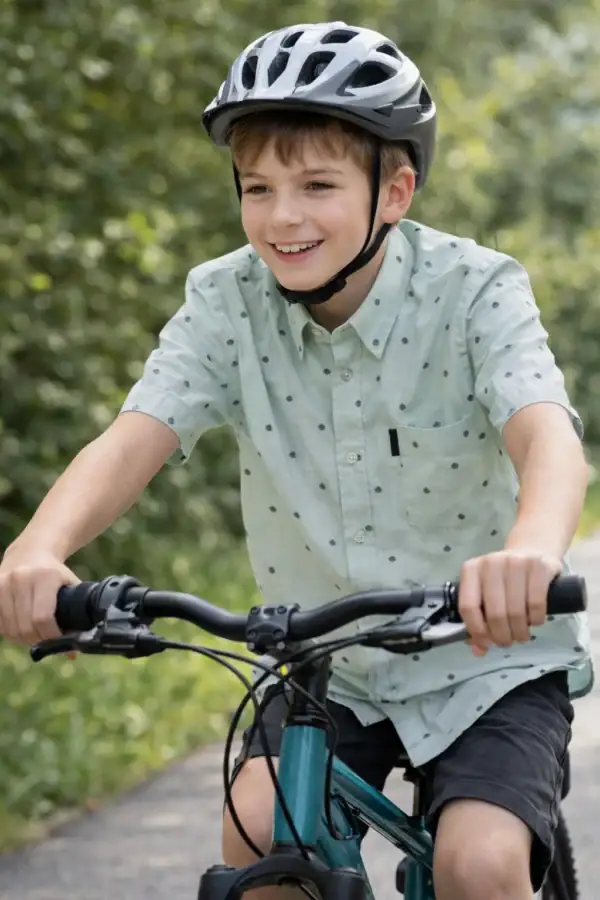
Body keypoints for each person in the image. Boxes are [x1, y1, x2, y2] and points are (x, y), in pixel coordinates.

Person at [0, 20, 592, 900]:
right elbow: (136, 434)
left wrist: (533, 553)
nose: (282, 217)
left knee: (479, 862)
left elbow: (546, 433)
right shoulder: (226, 300)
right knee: (256, 840)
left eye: (316, 184)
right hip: (329, 664)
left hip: (484, 656)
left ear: (394, 191)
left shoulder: (475, 289)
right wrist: (38, 550)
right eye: (257, 188)